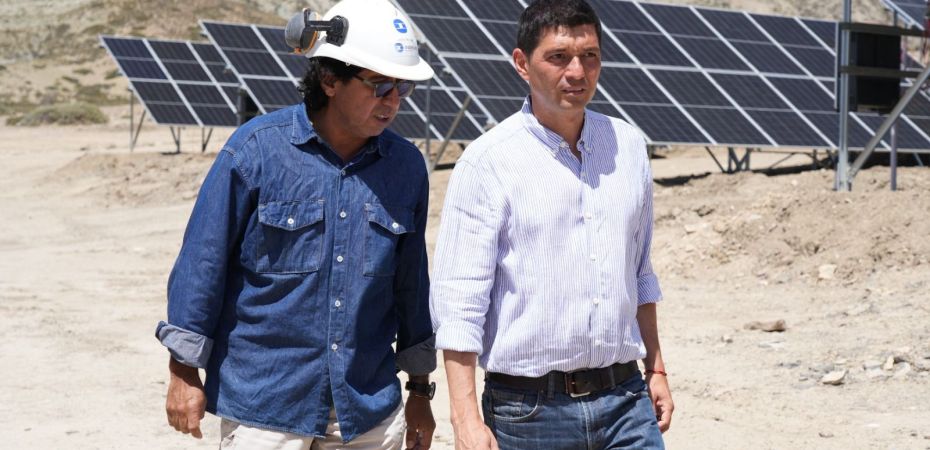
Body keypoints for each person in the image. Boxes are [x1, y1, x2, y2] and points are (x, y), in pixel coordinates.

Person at [156, 0, 438, 448]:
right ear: (330, 80)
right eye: (380, 85)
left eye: (403, 88)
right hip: (267, 406)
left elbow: (411, 285)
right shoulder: (256, 151)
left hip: (366, 409)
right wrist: (183, 371)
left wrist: (420, 391)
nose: (393, 101)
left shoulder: (405, 167)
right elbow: (203, 263)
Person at [430, 0, 674, 448]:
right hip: (529, 412)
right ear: (522, 63)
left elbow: (639, 272)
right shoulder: (488, 162)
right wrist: (464, 419)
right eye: (559, 57)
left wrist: (655, 368)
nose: (577, 72)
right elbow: (460, 301)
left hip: (626, 401)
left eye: (589, 56)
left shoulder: (627, 146)